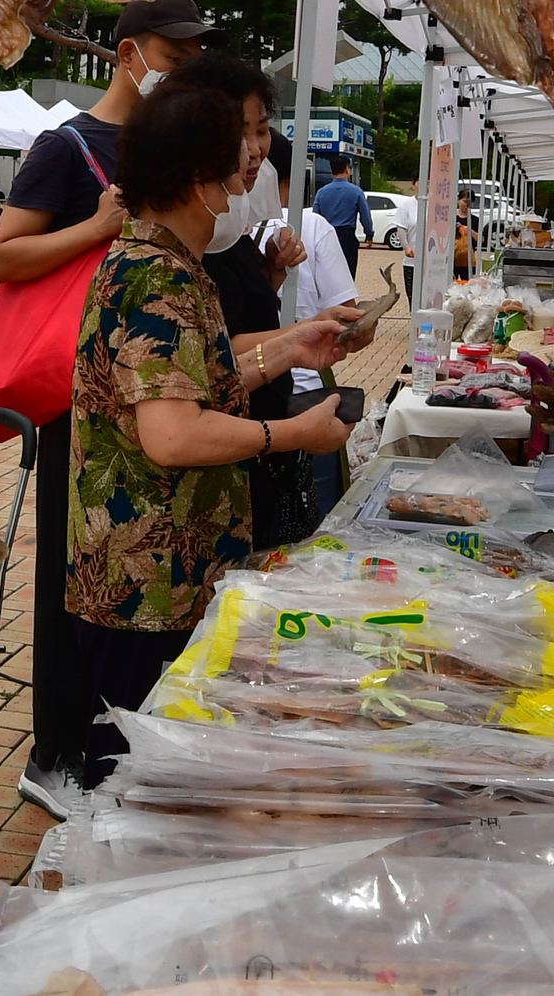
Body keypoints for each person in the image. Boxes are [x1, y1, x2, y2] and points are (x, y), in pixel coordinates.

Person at [69, 80, 352, 786]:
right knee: (140, 791)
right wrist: (293, 434)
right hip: (145, 592)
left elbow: (198, 378)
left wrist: (292, 347)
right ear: (201, 181)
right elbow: (173, 436)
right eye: (240, 160)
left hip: (174, 577)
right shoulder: (151, 279)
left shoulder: (171, 267)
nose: (251, 172)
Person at [0, 0, 220, 822]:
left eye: (192, 56)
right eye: (172, 53)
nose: (183, 68)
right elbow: (3, 256)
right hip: (79, 396)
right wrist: (93, 230)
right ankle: (55, 752)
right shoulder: (68, 144)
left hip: (156, 394)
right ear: (128, 53)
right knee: (72, 571)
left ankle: (114, 739)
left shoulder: (178, 143)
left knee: (129, 576)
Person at [173, 54, 323, 548]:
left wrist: (294, 327)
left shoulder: (223, 235)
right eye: (243, 133)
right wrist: (295, 432)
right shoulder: (163, 269)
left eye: (262, 131)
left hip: (235, 480)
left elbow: (218, 367)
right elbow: (177, 429)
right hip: (174, 548)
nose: (255, 153)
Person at [260, 129, 377, 518]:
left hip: (244, 414)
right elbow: (347, 318)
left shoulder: (219, 235)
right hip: (304, 403)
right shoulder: (312, 226)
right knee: (314, 538)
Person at [311, 155, 373, 279]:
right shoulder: (356, 191)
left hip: (326, 237)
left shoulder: (322, 192)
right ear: (347, 169)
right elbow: (365, 216)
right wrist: (369, 234)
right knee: (348, 275)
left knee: (327, 275)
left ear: (332, 170)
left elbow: (315, 217)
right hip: (347, 237)